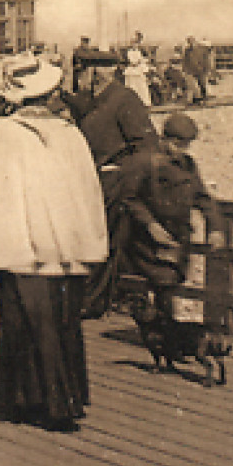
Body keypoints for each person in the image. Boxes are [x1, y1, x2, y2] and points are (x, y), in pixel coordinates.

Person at [0, 52, 108, 433]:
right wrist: (88, 240)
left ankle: (26, 400)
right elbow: (90, 192)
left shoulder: (0, 134)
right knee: (64, 321)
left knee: (22, 321)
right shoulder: (70, 134)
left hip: (21, 246)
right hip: (68, 248)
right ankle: (67, 397)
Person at [76, 49, 162, 318]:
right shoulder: (89, 101)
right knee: (94, 239)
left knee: (110, 241)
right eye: (87, 68)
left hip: (116, 181)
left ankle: (95, 301)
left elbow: (147, 146)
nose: (88, 75)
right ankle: (101, 298)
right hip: (92, 181)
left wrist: (127, 179)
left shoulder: (125, 99)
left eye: (97, 68)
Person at [118, 113, 226, 320]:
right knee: (163, 286)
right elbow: (129, 198)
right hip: (147, 242)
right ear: (164, 139)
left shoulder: (188, 165)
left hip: (177, 238)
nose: (181, 150)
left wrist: (216, 228)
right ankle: (167, 337)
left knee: (170, 286)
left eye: (185, 145)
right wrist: (150, 225)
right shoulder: (145, 163)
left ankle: (164, 333)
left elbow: (203, 198)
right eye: (177, 144)